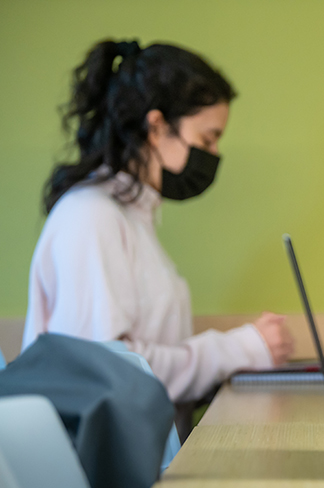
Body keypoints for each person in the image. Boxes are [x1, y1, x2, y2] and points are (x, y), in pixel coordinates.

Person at [22, 40, 294, 435]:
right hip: (111, 468)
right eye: (207, 139)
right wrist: (241, 348)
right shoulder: (90, 217)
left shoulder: (133, 218)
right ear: (156, 127)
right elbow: (107, 373)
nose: (214, 153)